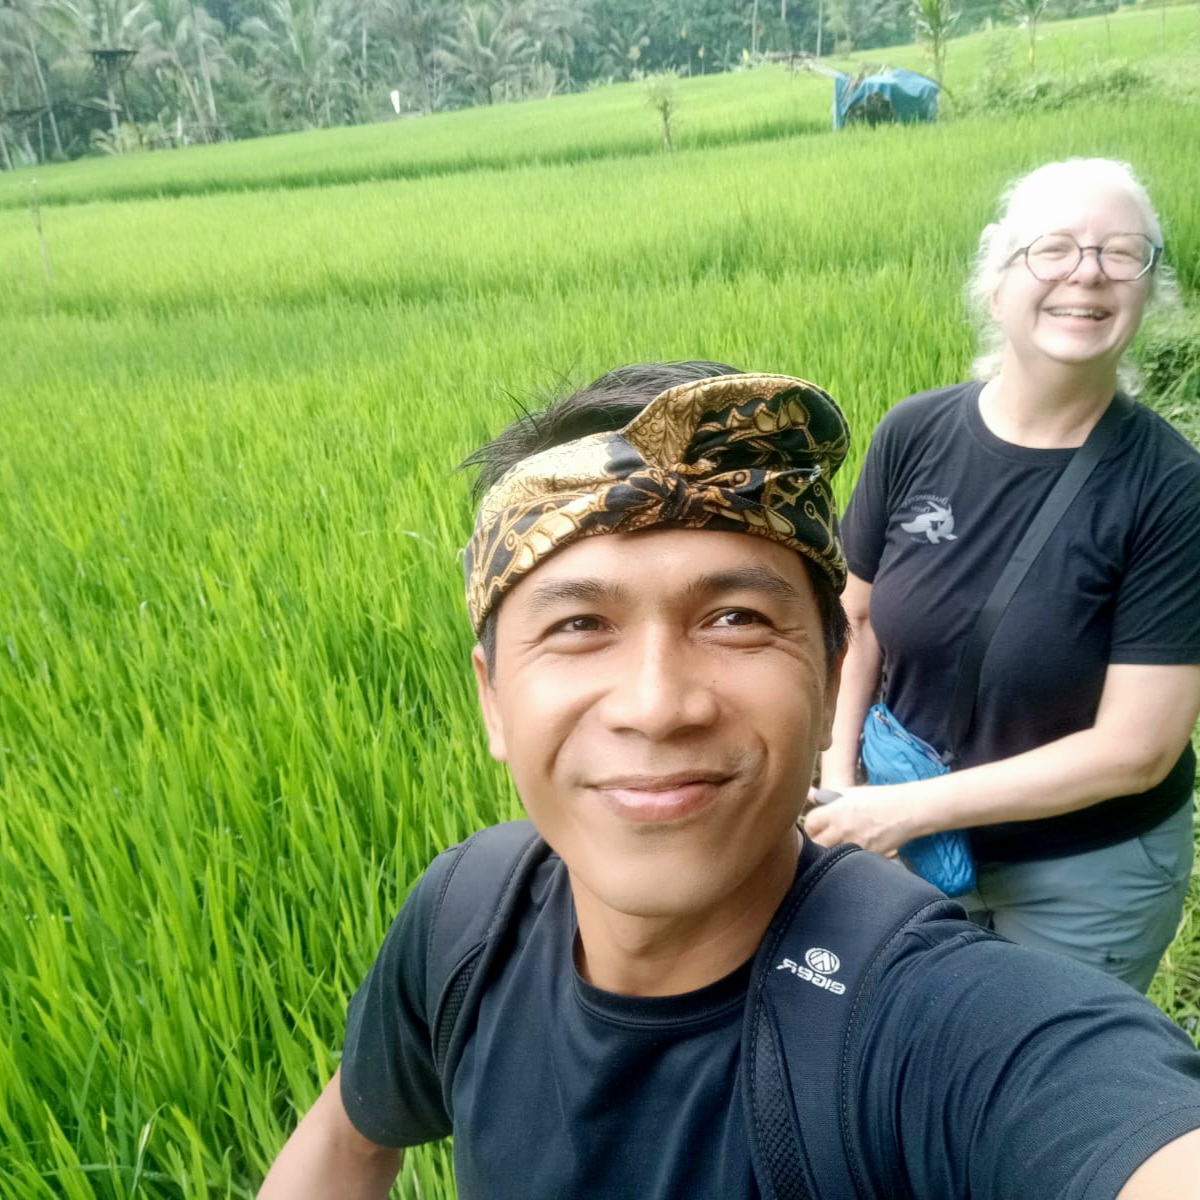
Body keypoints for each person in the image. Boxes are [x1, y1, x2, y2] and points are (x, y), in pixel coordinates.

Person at [258, 361, 1200, 1199]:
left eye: (738, 618)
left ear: (830, 679)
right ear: (494, 699)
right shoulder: (467, 916)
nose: (657, 705)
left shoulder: (943, 1031)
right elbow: (346, 1141)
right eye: (579, 625)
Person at [810, 157, 1200, 992]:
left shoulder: (1171, 490)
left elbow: (1136, 750)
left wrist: (904, 809)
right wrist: (841, 784)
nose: (1087, 273)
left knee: (1029, 1064)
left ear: (1146, 293)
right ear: (997, 288)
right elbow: (856, 620)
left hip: (1080, 875)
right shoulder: (914, 433)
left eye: (1120, 253)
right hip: (902, 840)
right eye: (1052, 248)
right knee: (907, 1042)